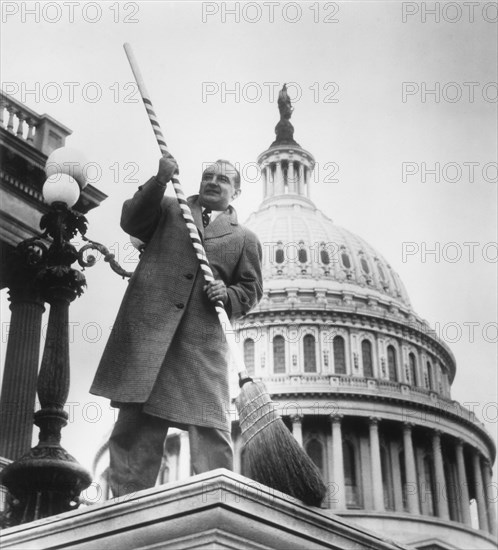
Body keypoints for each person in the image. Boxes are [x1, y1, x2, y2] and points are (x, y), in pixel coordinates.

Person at [90, 153, 263, 497]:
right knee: (137, 418)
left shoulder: (244, 238)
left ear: (237, 192)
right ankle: (127, 499)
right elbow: (132, 220)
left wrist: (227, 294)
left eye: (223, 179)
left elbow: (251, 288)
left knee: (210, 424)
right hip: (149, 334)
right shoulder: (170, 208)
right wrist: (158, 179)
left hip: (200, 343)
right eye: (208, 175)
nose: (213, 182)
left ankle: (218, 498)